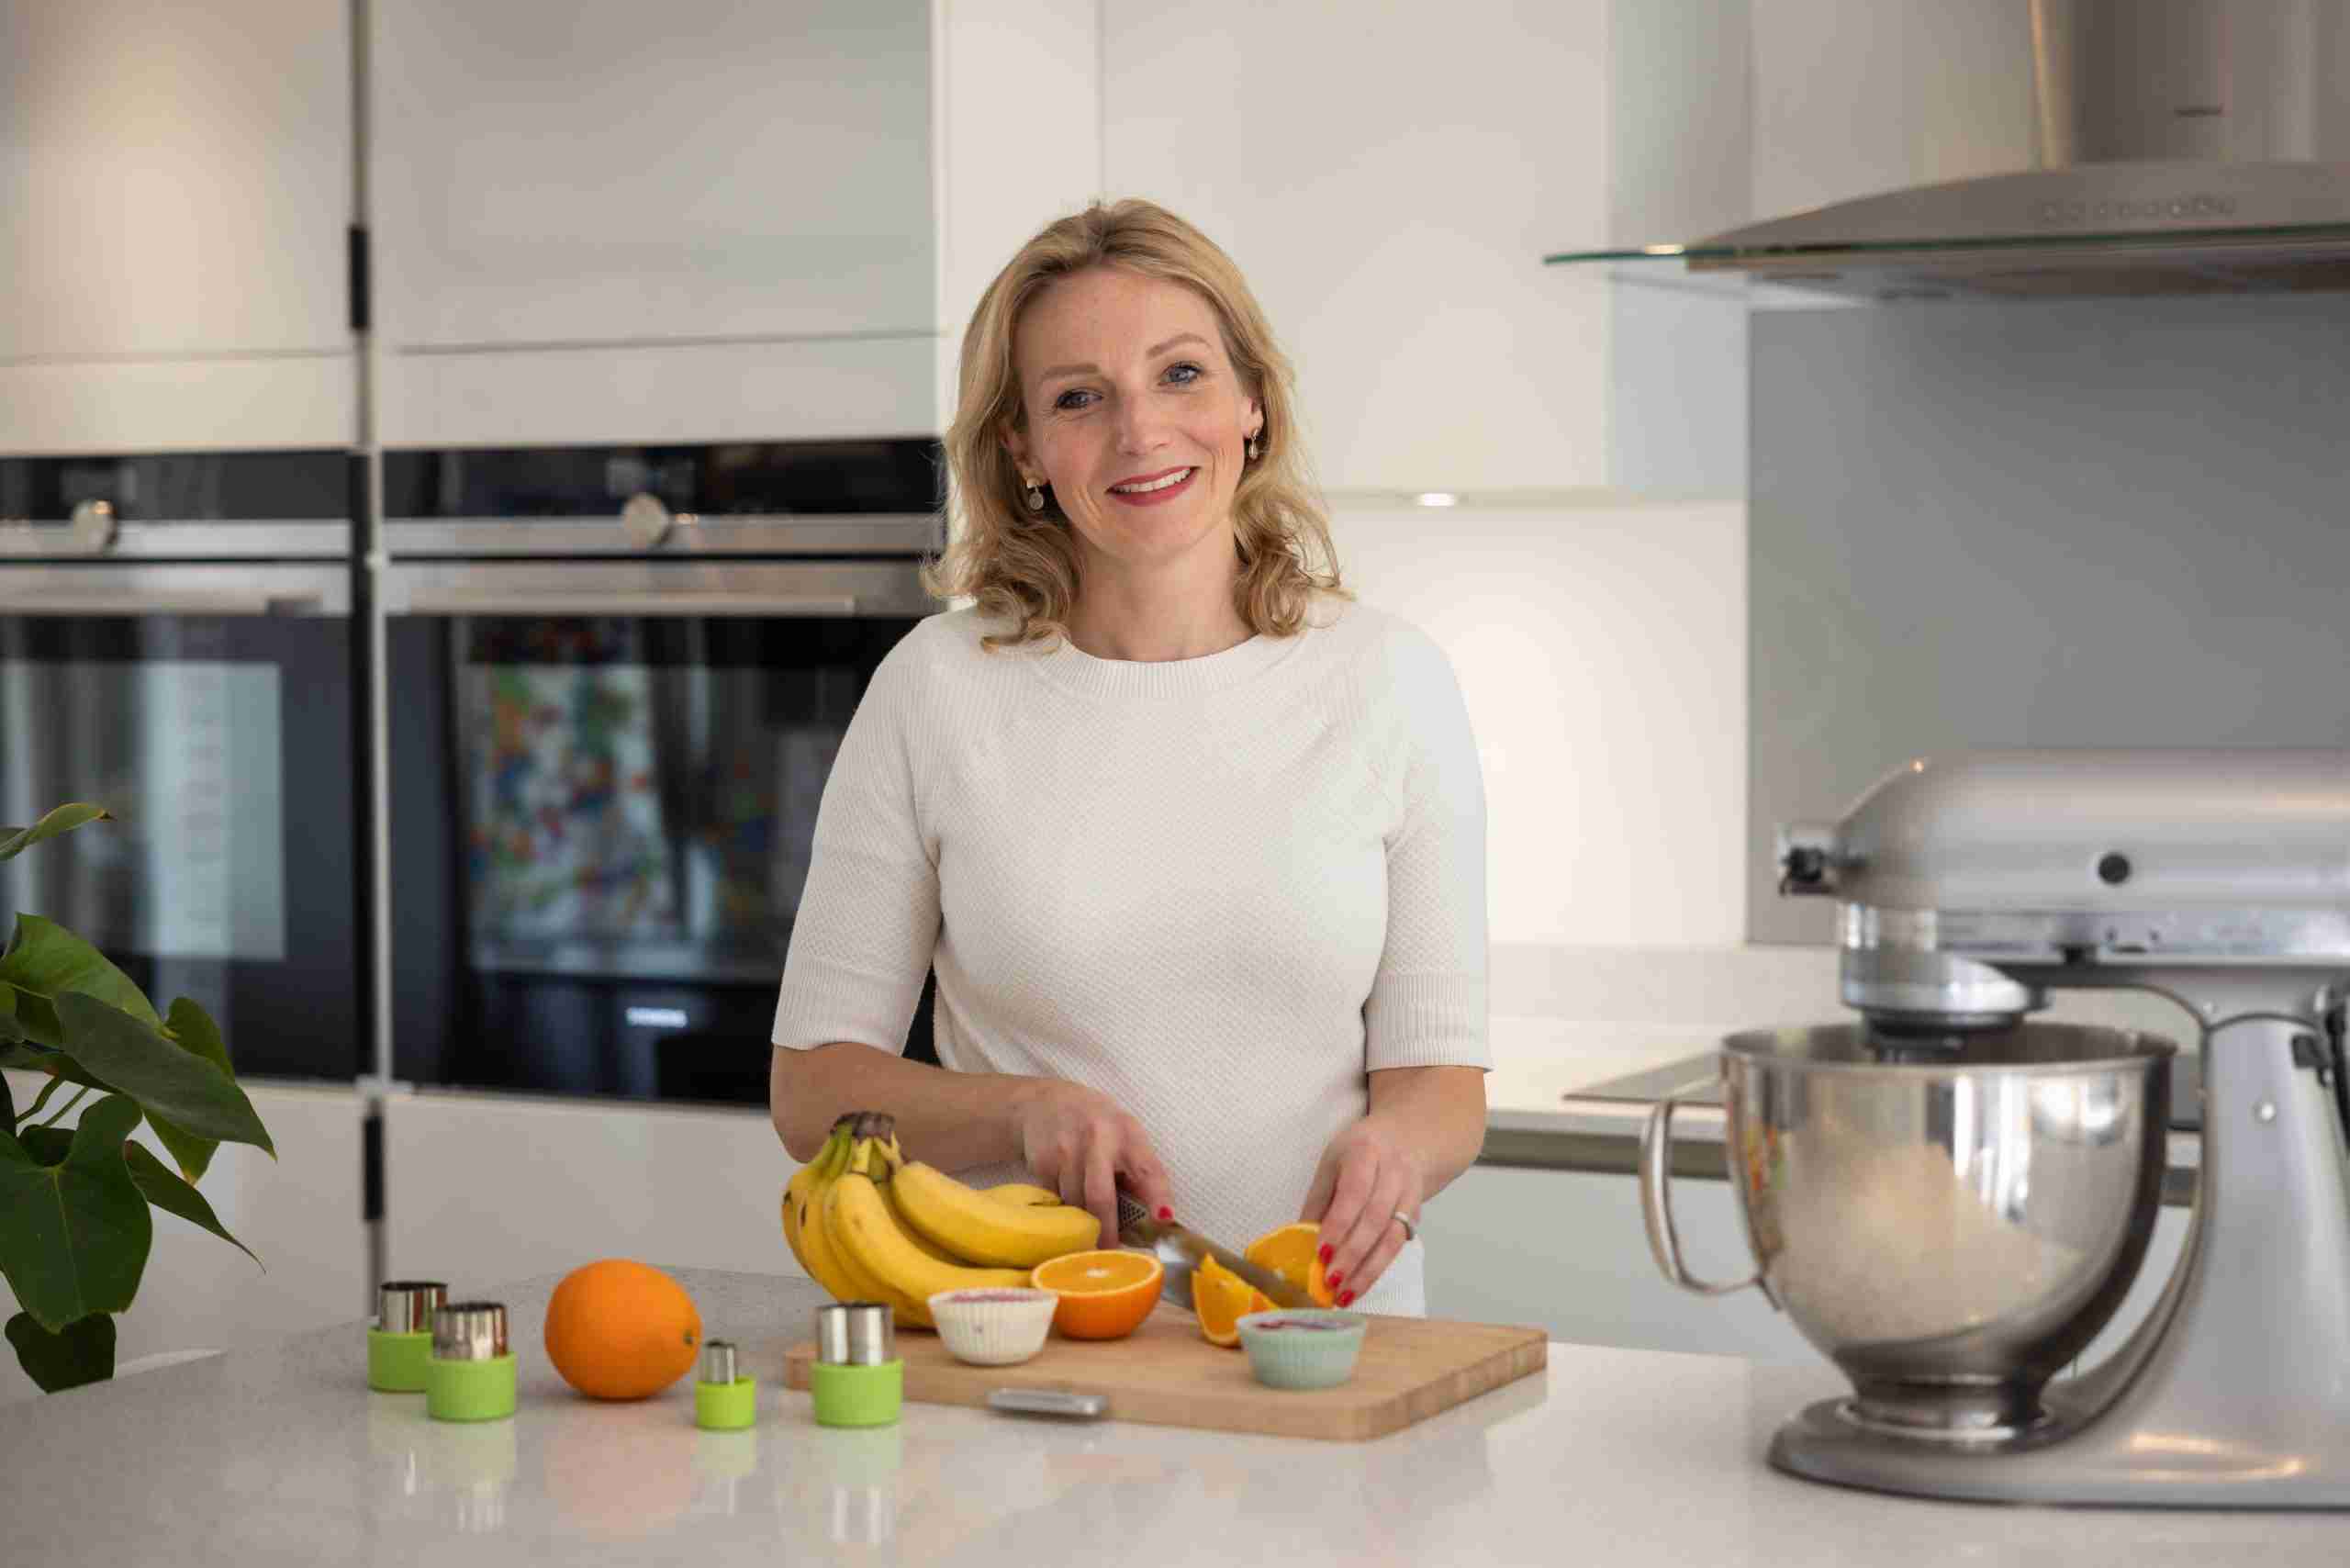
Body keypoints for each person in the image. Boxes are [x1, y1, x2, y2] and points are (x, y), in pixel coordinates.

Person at [768, 198, 1487, 1313]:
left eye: (1181, 375)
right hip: (1030, 1342)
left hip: (1321, 1345)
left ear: (1252, 402)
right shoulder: (935, 687)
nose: (1140, 433)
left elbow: (1441, 1081)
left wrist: (1397, 1148)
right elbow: (812, 1091)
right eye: (1078, 398)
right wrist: (1018, 1110)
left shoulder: (1392, 680)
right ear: (1023, 449)